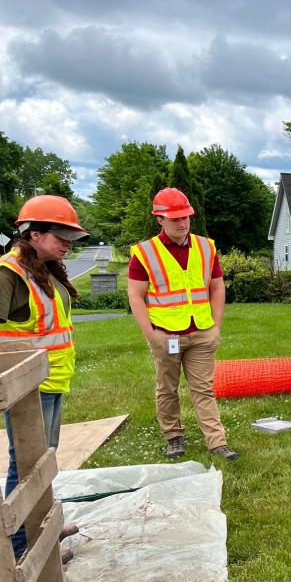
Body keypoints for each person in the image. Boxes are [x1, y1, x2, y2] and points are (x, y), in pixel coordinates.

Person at [1, 195, 87, 559]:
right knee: (25, 467)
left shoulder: (46, 268)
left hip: (50, 382)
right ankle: (21, 546)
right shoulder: (10, 273)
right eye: (60, 235)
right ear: (33, 234)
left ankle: (43, 528)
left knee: (42, 461)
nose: (68, 243)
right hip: (26, 388)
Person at [127, 187, 239, 461]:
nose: (182, 223)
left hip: (201, 331)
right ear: (160, 220)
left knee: (204, 388)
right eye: (175, 218)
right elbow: (136, 296)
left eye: (186, 217)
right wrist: (152, 336)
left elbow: (217, 288)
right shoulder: (144, 253)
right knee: (167, 389)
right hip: (165, 334)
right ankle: (174, 437)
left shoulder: (205, 246)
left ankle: (217, 442)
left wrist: (215, 326)